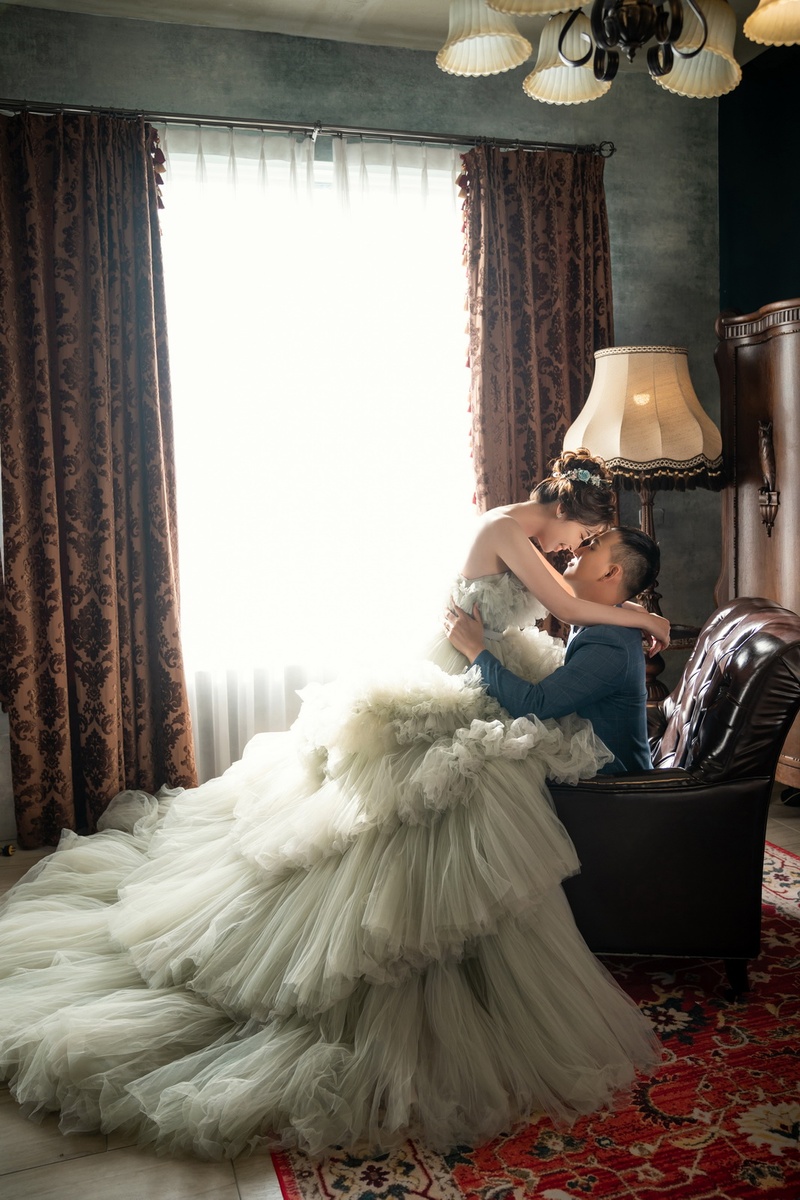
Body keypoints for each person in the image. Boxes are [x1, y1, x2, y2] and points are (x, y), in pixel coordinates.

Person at [0, 449, 666, 1161]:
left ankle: (463, 958)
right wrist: (648, 624)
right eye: (579, 538)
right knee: (429, 796)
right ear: (567, 510)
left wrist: (626, 615)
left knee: (468, 796)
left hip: (491, 666)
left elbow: (563, 607)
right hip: (460, 674)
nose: (570, 552)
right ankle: (393, 951)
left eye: (584, 549)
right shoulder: (505, 528)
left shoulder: (527, 535)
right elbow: (564, 607)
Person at [445, 526, 659, 775]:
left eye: (592, 547)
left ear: (610, 572)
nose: (577, 550)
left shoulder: (610, 643)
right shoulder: (607, 616)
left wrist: (475, 649)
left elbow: (534, 705)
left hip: (612, 782)